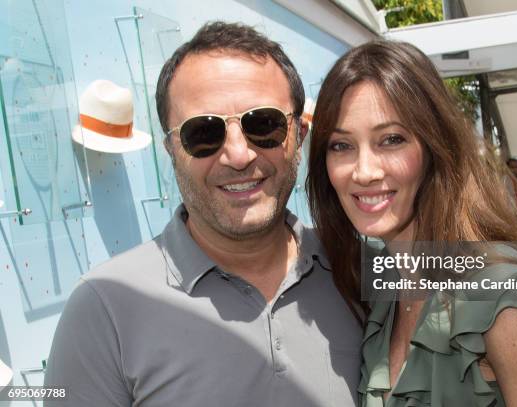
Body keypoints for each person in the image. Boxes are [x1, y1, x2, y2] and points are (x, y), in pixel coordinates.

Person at [44, 22, 361, 406]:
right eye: (203, 134)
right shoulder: (103, 306)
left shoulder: (359, 268)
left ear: (299, 134)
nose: (238, 156)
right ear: (172, 151)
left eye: (264, 124)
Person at [307, 40, 517, 406]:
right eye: (341, 146)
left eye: (391, 140)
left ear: (434, 145)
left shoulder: (506, 303)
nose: (364, 171)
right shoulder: (380, 294)